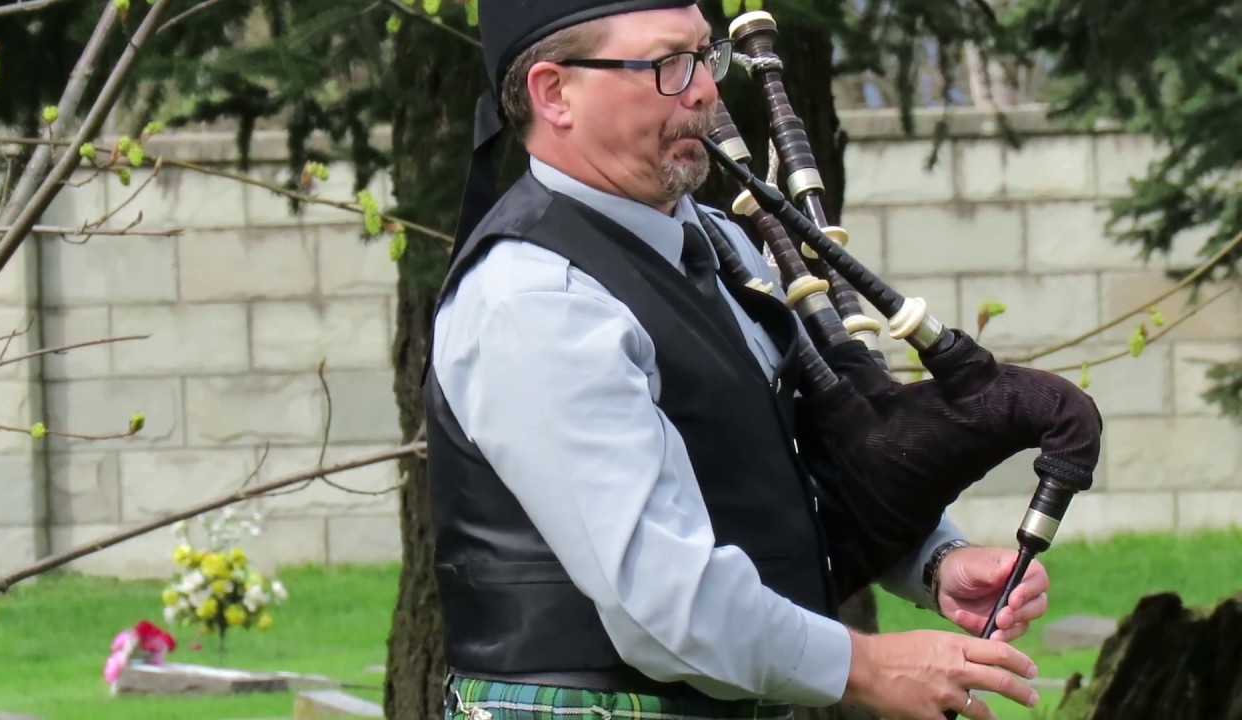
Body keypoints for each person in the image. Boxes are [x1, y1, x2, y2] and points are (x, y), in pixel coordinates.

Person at [423, 2, 1051, 718]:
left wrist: (933, 560)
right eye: (667, 65)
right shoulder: (537, 300)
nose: (705, 91)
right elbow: (665, 599)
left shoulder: (721, 244)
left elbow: (794, 454)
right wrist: (866, 664)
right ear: (554, 93)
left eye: (704, 55)